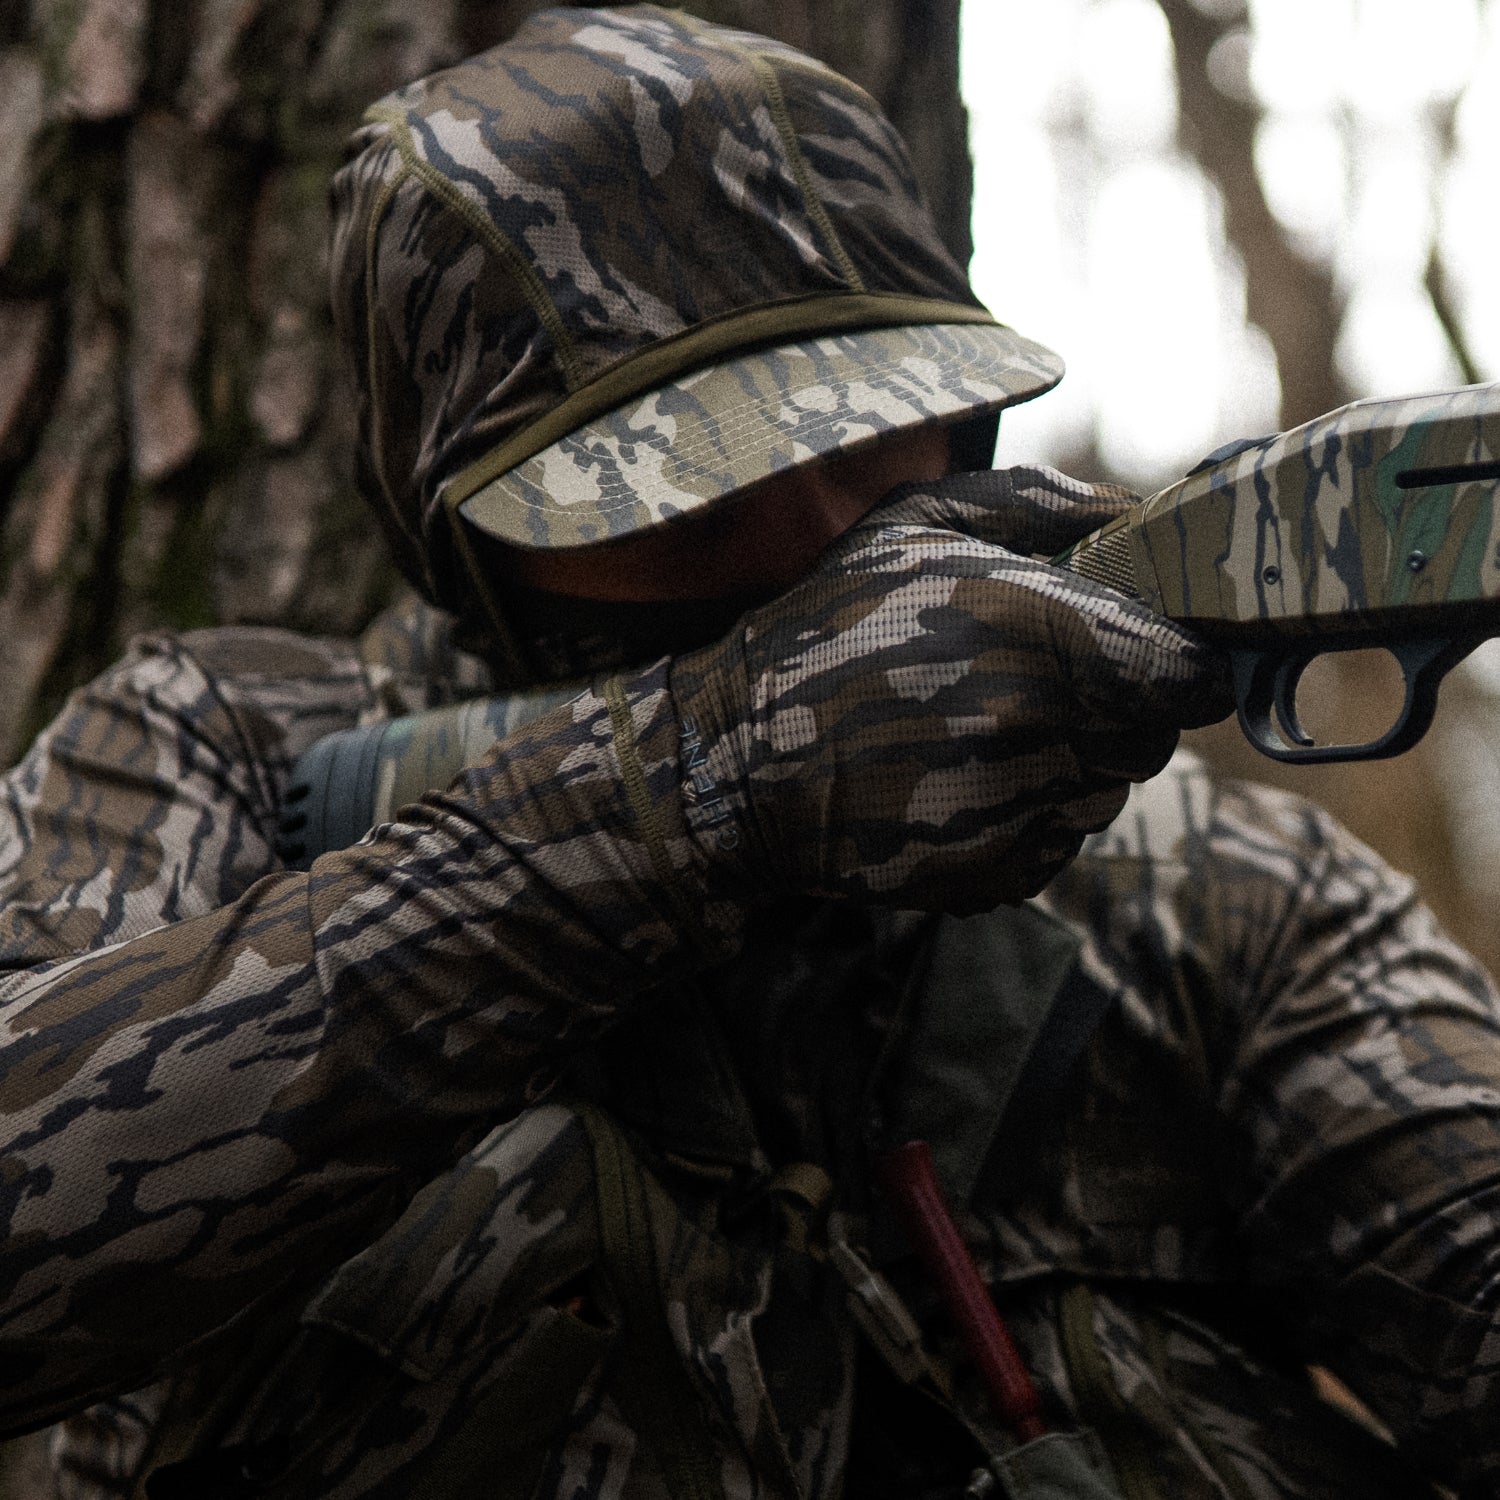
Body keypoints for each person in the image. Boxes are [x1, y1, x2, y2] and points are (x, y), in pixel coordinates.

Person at [0, 7, 1496, 1498]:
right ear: (456, 535)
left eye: (868, 444)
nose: (815, 544)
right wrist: (697, 789)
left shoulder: (1208, 900)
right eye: (680, 497)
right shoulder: (225, 769)